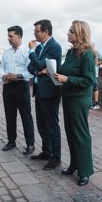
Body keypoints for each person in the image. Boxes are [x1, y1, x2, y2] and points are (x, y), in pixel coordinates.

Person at [53, 20, 96, 186]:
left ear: (80, 34)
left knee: (81, 133)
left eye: (71, 31)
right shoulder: (71, 53)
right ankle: (74, 164)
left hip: (79, 98)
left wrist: (67, 78)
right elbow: (66, 72)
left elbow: (89, 80)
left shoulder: (87, 54)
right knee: (70, 132)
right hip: (68, 96)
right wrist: (57, 75)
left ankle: (85, 171)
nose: (68, 34)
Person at [28, 19, 62, 170]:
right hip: (39, 90)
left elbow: (42, 64)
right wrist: (38, 71)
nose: (34, 33)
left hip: (50, 91)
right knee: (41, 123)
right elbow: (31, 66)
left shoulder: (54, 46)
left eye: (37, 31)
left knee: (52, 125)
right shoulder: (40, 47)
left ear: (46, 32)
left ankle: (56, 157)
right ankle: (46, 151)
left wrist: (31, 52)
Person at [0, 25, 35, 155]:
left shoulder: (27, 51)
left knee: (26, 116)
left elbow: (31, 71)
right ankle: (11, 141)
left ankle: (30, 144)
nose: (8, 38)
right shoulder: (7, 52)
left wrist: (17, 76)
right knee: (10, 115)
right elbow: (1, 68)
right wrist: (3, 76)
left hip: (21, 86)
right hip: (8, 86)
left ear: (19, 36)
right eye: (8, 36)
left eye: (11, 36)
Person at [90, 44, 102, 110]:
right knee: (89, 89)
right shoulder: (86, 52)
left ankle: (96, 104)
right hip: (89, 74)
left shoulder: (96, 52)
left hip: (95, 74)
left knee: (95, 88)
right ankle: (89, 103)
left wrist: (96, 63)